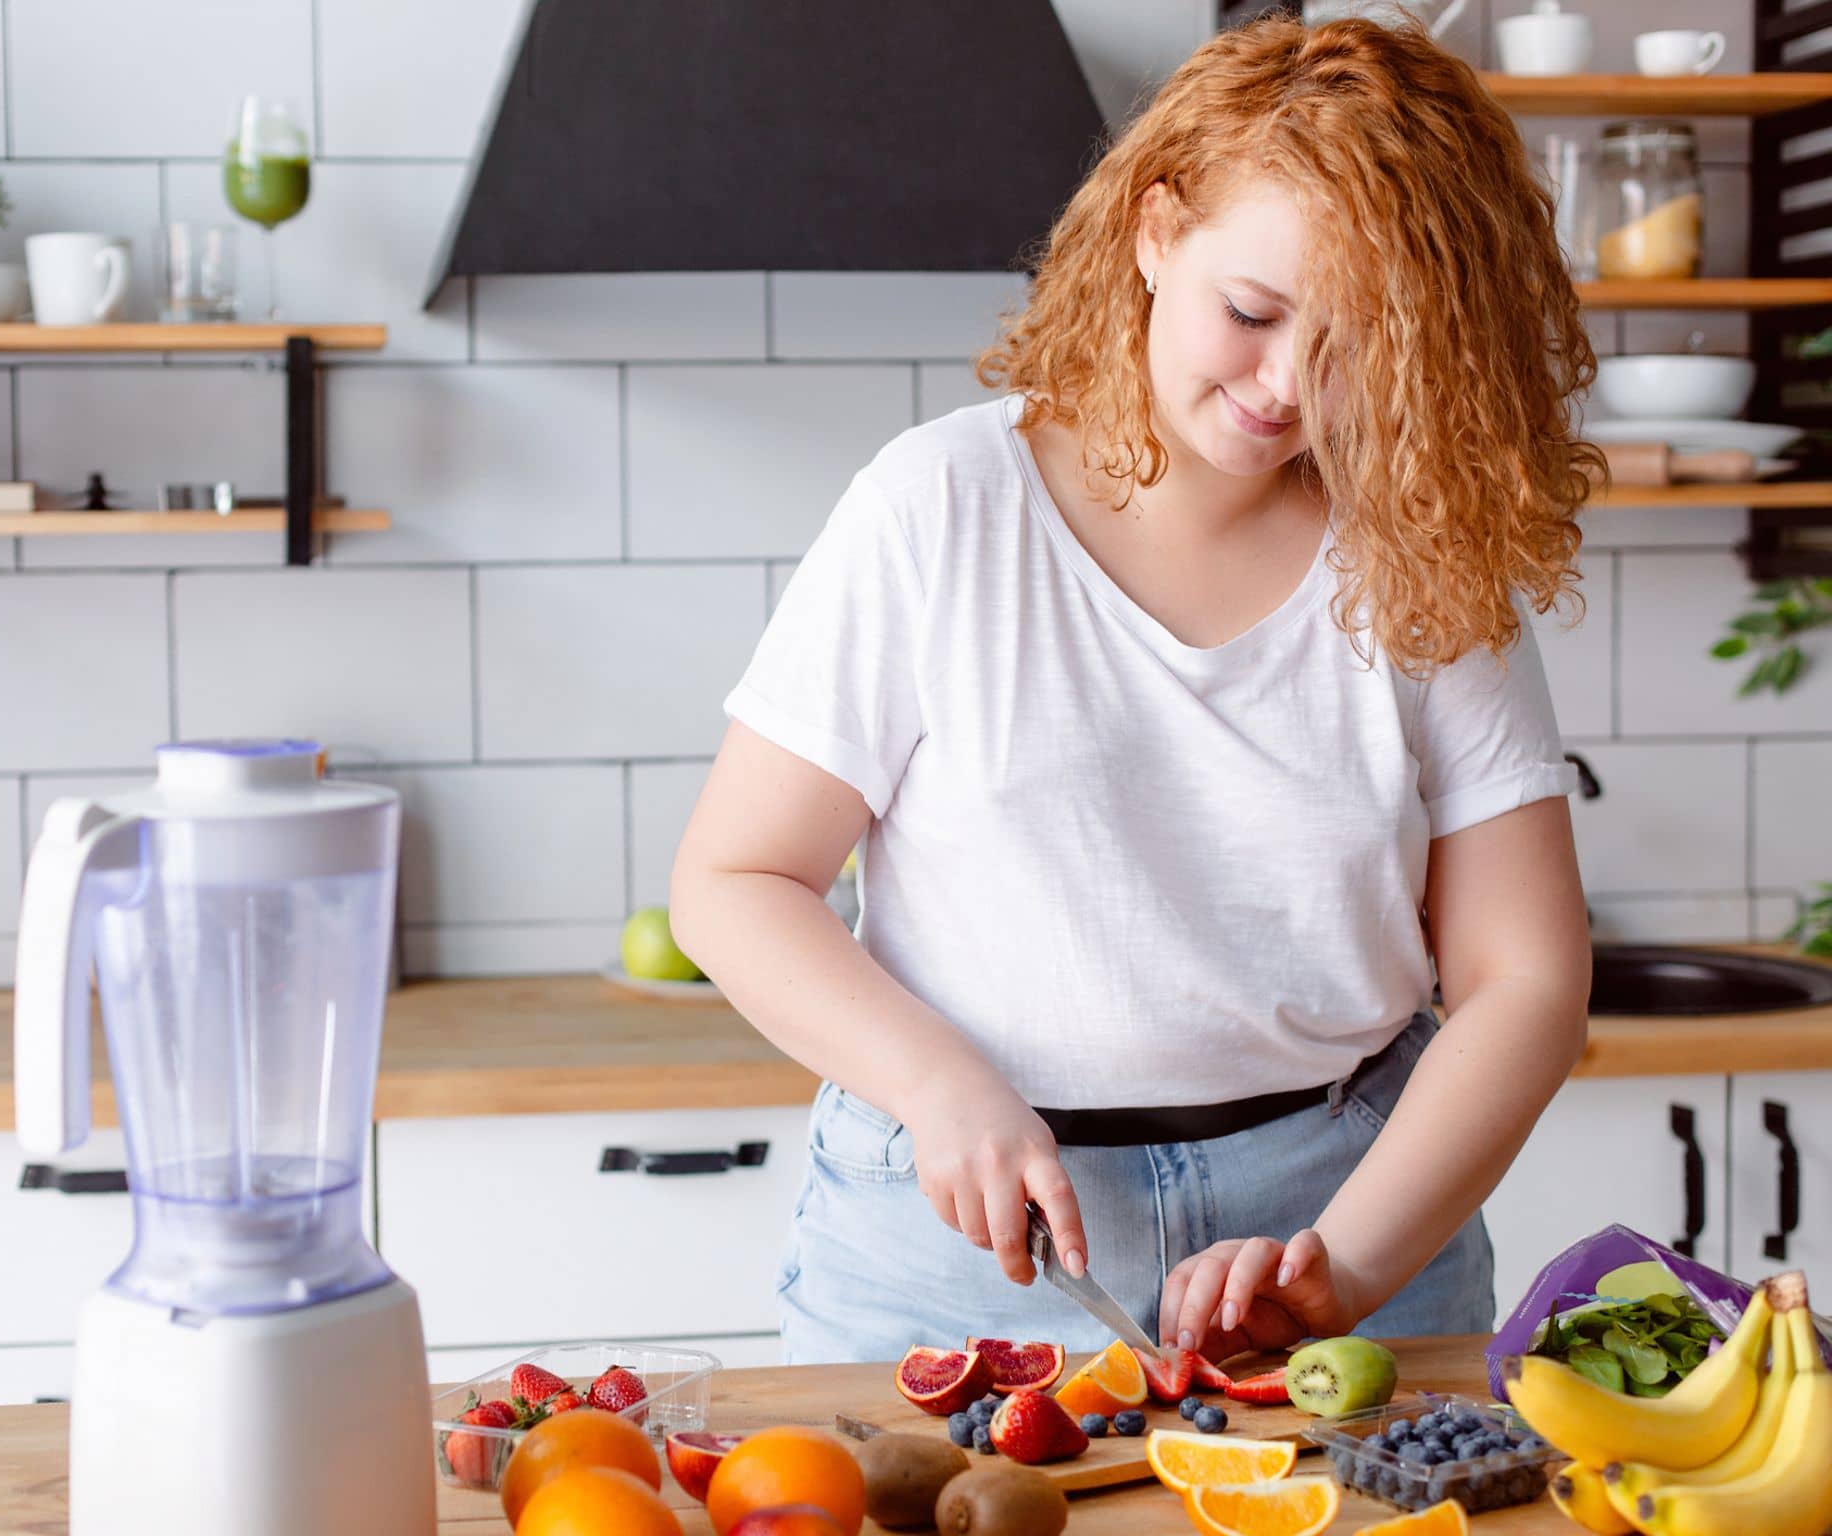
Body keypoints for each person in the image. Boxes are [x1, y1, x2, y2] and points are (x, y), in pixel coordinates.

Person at [670, 15, 1597, 1366]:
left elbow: (1527, 979)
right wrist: (939, 1084)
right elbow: (734, 881)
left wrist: (1342, 1267)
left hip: (1344, 1213)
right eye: (1254, 313)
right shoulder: (941, 509)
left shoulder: (1422, 549)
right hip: (966, 1232)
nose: (1287, 387)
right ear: (1159, 234)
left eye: (1356, 347)